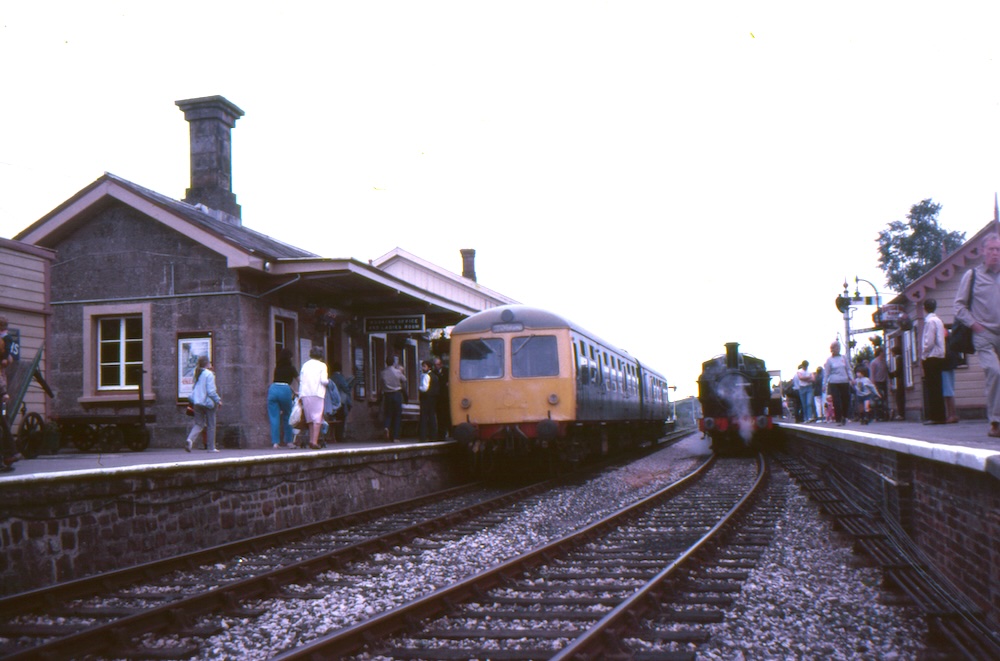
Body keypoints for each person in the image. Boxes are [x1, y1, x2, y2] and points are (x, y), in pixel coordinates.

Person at [954, 233, 1000, 438]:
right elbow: (958, 305)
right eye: (991, 249)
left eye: (998, 249)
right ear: (983, 251)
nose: (995, 254)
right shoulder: (972, 276)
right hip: (983, 333)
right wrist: (974, 324)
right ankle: (996, 422)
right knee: (995, 372)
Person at [185, 356, 222, 452]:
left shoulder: (197, 373)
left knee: (199, 424)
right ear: (207, 364)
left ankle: (190, 439)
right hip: (208, 403)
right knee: (211, 425)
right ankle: (211, 447)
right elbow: (211, 391)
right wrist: (218, 400)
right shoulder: (209, 374)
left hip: (197, 402)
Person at [921, 298, 946, 425]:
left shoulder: (929, 321)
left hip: (931, 356)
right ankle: (941, 415)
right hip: (939, 356)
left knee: (932, 387)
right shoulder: (939, 321)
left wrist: (923, 354)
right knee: (938, 386)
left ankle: (935, 416)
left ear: (925, 308)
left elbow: (929, 341)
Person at [298, 346, 329, 449]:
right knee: (317, 418)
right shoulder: (322, 366)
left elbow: (301, 380)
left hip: (306, 393)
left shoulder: (305, 365)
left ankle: (311, 439)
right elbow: (323, 380)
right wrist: (329, 382)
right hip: (317, 393)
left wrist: (300, 395)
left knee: (310, 419)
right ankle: (314, 441)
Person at [267, 348, 298, 448]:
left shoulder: (277, 368)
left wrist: (292, 390)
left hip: (273, 389)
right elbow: (298, 381)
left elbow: (279, 381)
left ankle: (275, 443)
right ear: (289, 358)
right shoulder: (291, 368)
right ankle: (289, 441)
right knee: (288, 416)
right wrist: (297, 392)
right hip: (285, 391)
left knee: (274, 417)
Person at [823, 341, 853, 425]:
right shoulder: (829, 360)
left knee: (845, 399)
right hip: (834, 382)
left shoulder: (843, 358)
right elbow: (827, 373)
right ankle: (838, 418)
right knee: (836, 400)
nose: (834, 349)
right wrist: (824, 384)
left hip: (844, 381)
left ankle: (845, 416)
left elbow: (848, 369)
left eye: (835, 347)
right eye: (832, 348)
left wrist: (851, 378)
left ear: (839, 348)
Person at [379, 356, 407, 442]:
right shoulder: (397, 372)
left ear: (386, 362)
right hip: (397, 393)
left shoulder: (383, 373)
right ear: (393, 363)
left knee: (388, 414)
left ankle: (386, 427)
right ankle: (395, 437)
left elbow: (381, 384)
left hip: (387, 395)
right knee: (397, 415)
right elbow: (404, 380)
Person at [329, 362, 355, 442]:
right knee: (341, 420)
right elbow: (345, 388)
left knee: (334, 419)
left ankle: (333, 436)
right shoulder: (339, 377)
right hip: (340, 402)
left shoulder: (330, 377)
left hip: (331, 402)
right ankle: (340, 437)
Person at [418, 360, 439, 441]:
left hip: (426, 399)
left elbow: (424, 388)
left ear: (429, 367)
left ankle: (422, 437)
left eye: (424, 366)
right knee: (432, 417)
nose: (423, 368)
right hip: (433, 399)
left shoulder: (426, 376)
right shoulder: (435, 376)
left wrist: (419, 388)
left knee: (423, 417)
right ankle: (433, 436)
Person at [942, 336, 960, 424]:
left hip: (945, 366)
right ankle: (952, 415)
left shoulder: (943, 342)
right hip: (950, 365)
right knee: (949, 391)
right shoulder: (950, 339)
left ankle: (951, 415)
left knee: (947, 392)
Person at [869, 348, 889, 421]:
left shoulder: (884, 362)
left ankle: (884, 415)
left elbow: (886, 372)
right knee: (878, 400)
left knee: (884, 399)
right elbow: (872, 374)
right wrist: (873, 385)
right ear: (880, 353)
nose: (884, 353)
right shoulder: (874, 362)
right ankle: (878, 416)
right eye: (883, 352)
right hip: (877, 383)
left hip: (884, 382)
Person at [433, 357, 451, 440]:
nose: (436, 366)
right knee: (440, 416)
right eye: (435, 365)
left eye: (438, 364)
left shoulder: (447, 371)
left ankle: (450, 432)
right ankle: (441, 435)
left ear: (441, 364)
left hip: (446, 397)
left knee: (447, 415)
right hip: (438, 398)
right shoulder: (433, 373)